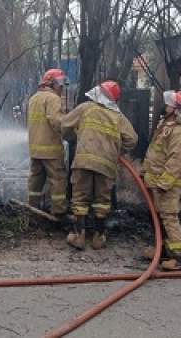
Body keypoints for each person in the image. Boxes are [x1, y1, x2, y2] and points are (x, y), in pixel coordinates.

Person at [60, 81, 137, 250]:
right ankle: (99, 237)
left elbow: (65, 125)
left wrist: (73, 138)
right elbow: (132, 139)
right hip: (107, 165)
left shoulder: (86, 108)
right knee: (102, 201)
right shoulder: (118, 117)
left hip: (84, 161)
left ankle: (79, 236)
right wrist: (116, 150)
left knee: (80, 199)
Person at [141, 90, 181, 271]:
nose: (166, 106)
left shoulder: (180, 133)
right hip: (156, 182)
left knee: (169, 217)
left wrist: (164, 184)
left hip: (167, 185)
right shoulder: (167, 126)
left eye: (170, 104)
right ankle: (163, 251)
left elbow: (176, 161)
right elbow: (156, 154)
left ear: (178, 110)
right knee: (157, 217)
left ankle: (180, 258)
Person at [26, 68, 69, 219]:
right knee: (58, 181)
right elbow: (57, 121)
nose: (62, 88)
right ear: (51, 84)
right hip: (51, 151)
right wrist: (71, 130)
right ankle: (58, 212)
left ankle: (32, 209)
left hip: (35, 150)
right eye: (60, 84)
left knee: (35, 181)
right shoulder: (52, 99)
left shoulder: (34, 98)